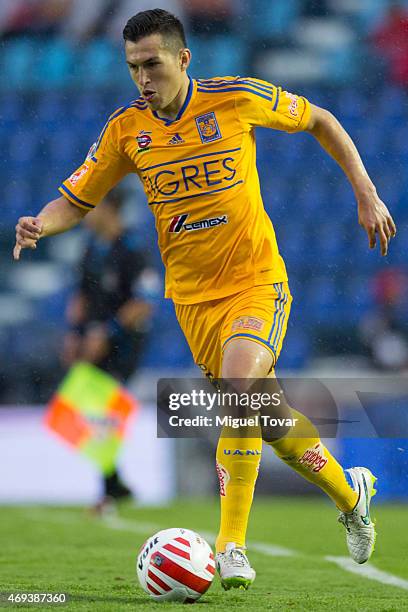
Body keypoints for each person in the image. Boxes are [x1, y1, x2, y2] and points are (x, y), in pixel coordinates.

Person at [14, 8, 396, 591]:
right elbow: (79, 198)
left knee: (239, 396)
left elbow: (320, 119)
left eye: (153, 64)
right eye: (133, 67)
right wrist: (41, 223)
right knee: (264, 421)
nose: (143, 78)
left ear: (183, 59)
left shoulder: (235, 97)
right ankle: (352, 493)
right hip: (193, 302)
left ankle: (231, 546)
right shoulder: (126, 129)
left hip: (255, 280)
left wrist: (366, 194)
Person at [61, 189, 153, 510]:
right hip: (93, 341)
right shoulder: (90, 249)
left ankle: (109, 488)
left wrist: (107, 332)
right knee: (80, 411)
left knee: (103, 409)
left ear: (111, 209)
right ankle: (114, 483)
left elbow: (144, 302)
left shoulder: (132, 249)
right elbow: (81, 295)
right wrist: (74, 334)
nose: (86, 213)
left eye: (93, 206)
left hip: (124, 345)